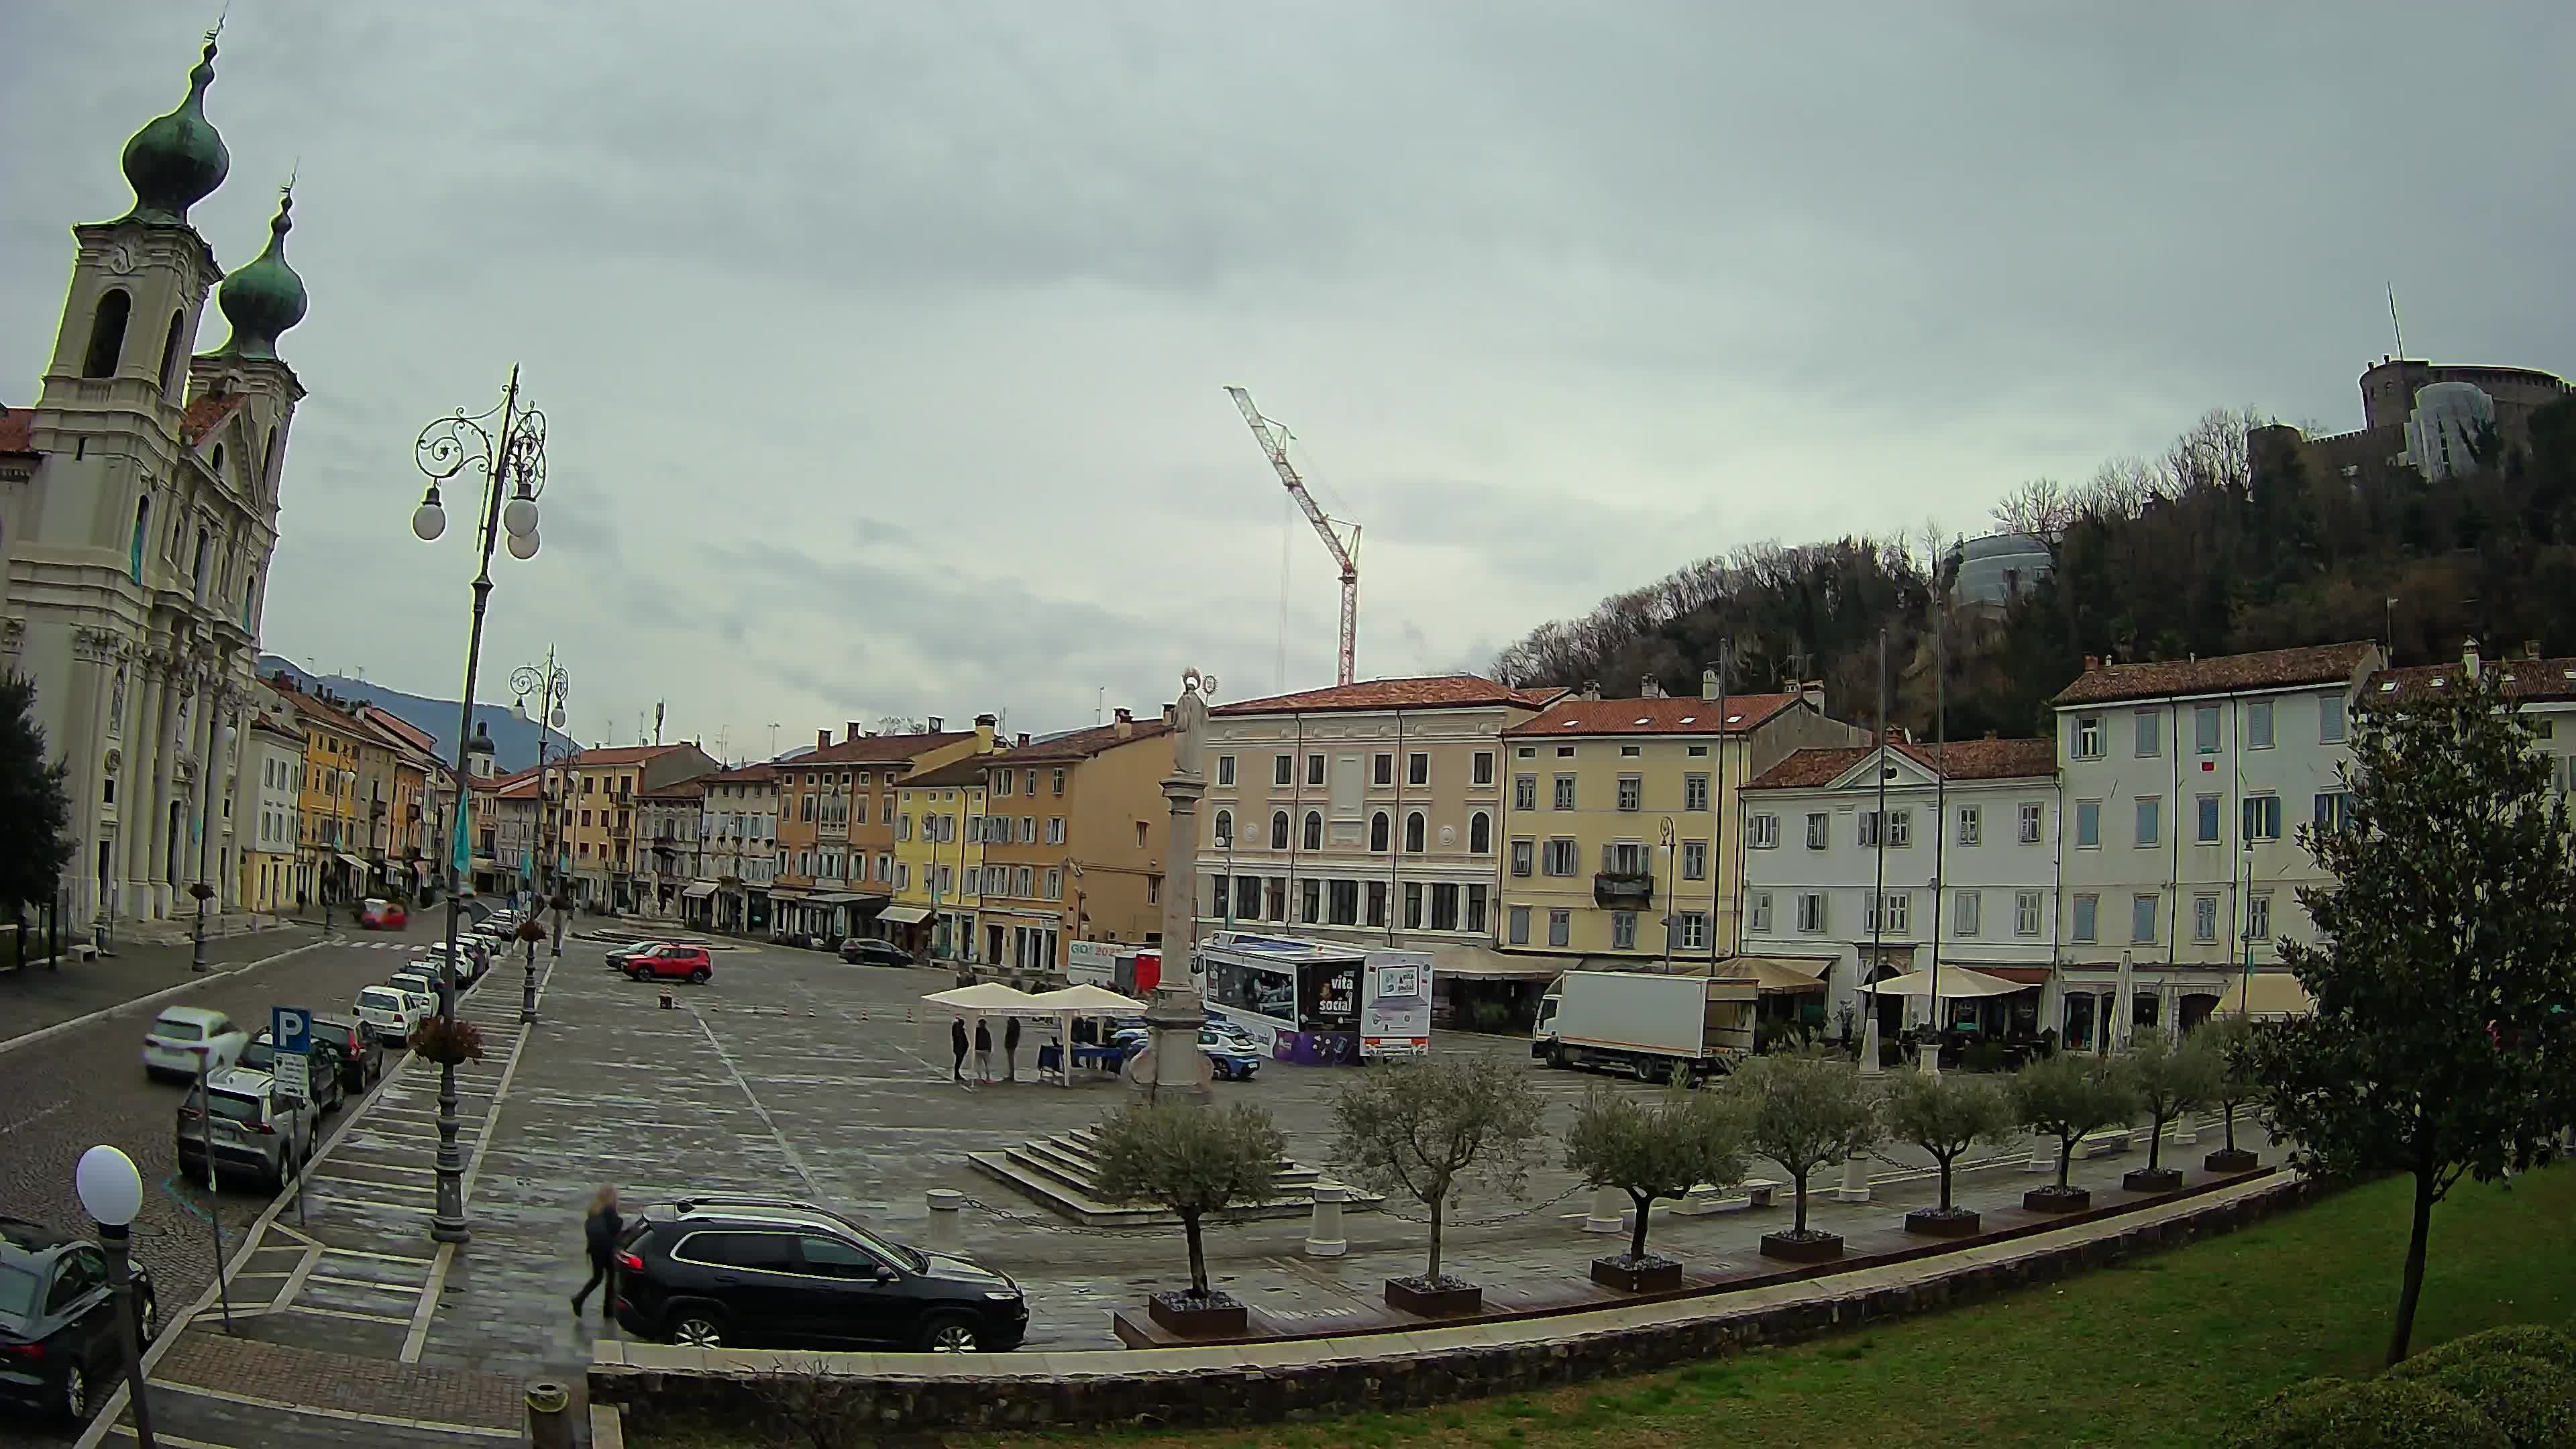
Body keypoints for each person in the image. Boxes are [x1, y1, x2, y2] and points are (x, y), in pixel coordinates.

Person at [571, 1185, 622, 1319]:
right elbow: (616, 1229)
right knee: (611, 1278)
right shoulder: (609, 1210)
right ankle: (608, 1311)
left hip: (595, 1249)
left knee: (597, 1278)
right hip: (605, 1249)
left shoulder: (594, 1209)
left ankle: (579, 1299)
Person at [974, 1018, 995, 1083]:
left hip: (977, 1049)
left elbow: (974, 1040)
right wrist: (990, 1049)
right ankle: (988, 1078)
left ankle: (979, 1078)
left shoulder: (976, 1031)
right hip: (985, 1050)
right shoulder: (986, 1032)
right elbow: (989, 1041)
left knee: (978, 1064)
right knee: (988, 1064)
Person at [950, 1017, 969, 1082]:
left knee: (958, 1062)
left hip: (960, 1049)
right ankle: (957, 1074)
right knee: (958, 1062)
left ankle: (957, 1074)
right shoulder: (958, 1031)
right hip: (960, 1049)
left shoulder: (959, 1030)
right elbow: (960, 1040)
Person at [1004, 1016, 1022, 1082]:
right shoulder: (1016, 1023)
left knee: (1011, 1059)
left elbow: (1011, 1033)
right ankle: (1011, 1074)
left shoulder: (1013, 1023)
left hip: (1011, 1043)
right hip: (1012, 1043)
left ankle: (1011, 1075)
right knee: (1011, 1059)